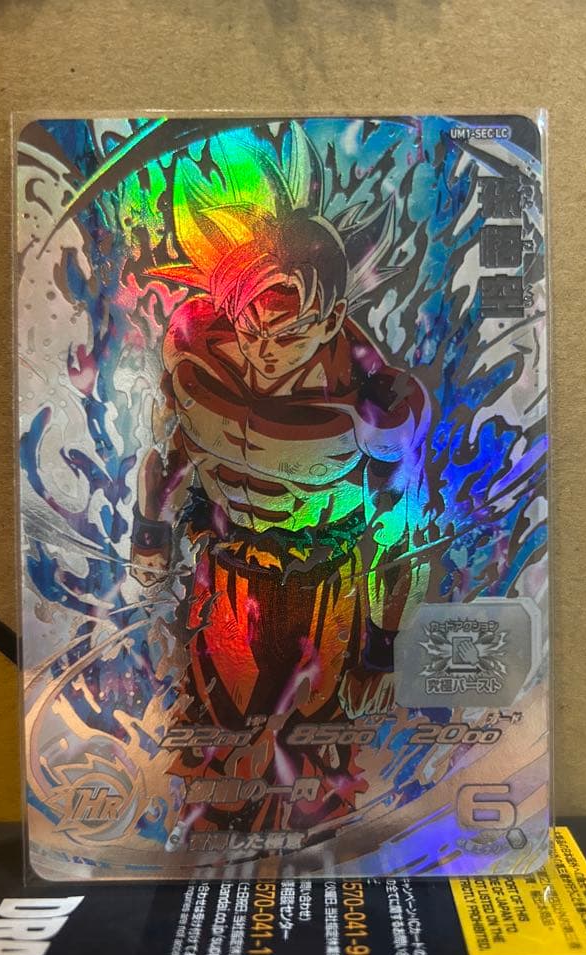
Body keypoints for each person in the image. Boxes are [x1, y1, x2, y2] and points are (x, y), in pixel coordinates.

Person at [131, 125, 432, 835]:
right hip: (228, 571)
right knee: (214, 757)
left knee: (317, 771)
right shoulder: (194, 346)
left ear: (331, 317)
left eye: (289, 333)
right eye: (251, 328)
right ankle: (209, 852)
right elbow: (170, 448)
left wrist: (384, 643)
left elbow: (402, 527)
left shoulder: (378, 402)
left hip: (325, 585)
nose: (264, 352)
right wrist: (150, 532)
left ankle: (319, 859)